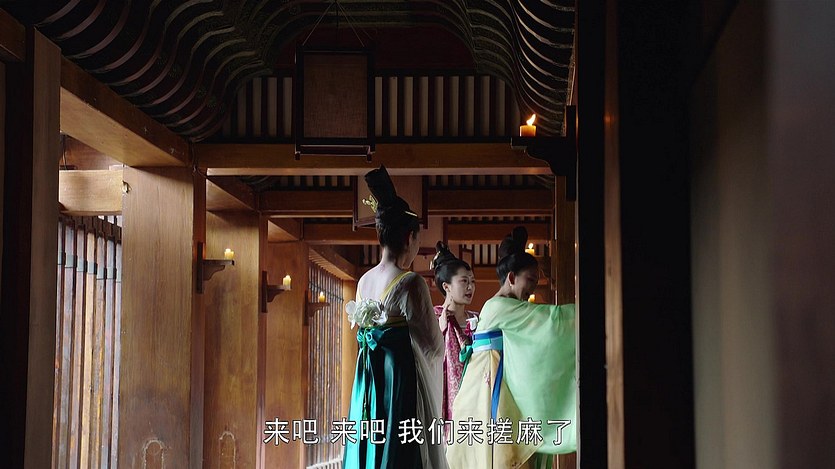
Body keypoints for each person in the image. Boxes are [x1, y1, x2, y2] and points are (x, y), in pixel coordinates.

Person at [446, 227, 577, 469]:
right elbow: (551, 321)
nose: (533, 287)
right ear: (512, 278)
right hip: (490, 388)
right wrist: (579, 314)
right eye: (530, 280)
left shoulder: (502, 306)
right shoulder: (500, 307)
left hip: (495, 382)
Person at [343, 165, 447, 469]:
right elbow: (433, 346)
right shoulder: (410, 282)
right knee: (400, 450)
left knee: (370, 444)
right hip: (398, 383)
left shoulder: (364, 281)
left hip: (368, 382)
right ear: (409, 237)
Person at [431, 242, 479, 423]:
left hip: (475, 396)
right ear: (447, 286)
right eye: (464, 281)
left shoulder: (478, 319)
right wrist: (441, 329)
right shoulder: (433, 318)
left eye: (472, 282)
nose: (470, 287)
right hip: (441, 396)